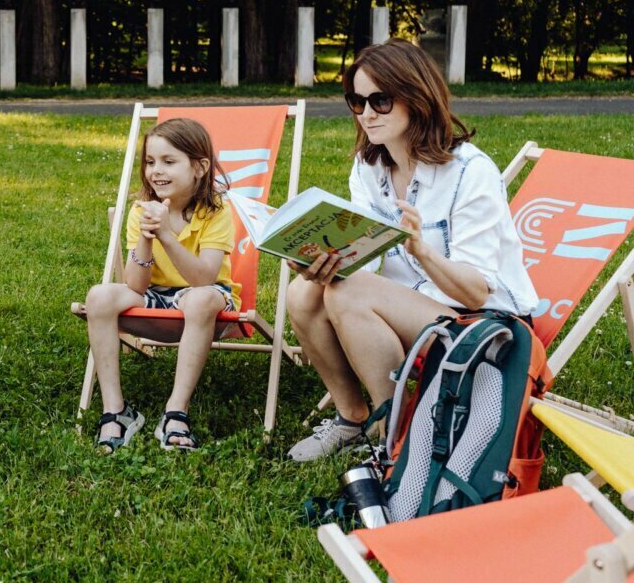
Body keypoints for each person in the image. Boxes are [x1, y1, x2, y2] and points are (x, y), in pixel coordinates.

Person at [285, 38, 538, 462]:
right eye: (356, 101)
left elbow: (476, 293)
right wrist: (318, 259)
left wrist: (421, 251)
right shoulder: (369, 168)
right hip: (418, 307)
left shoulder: (469, 173)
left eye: (380, 100)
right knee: (303, 292)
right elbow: (362, 256)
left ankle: (396, 436)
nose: (366, 114)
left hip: (487, 327)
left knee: (348, 292)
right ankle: (352, 418)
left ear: (415, 97)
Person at [83, 118, 239, 453]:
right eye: (150, 162)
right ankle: (116, 411)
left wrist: (166, 236)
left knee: (199, 299)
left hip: (207, 298)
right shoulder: (142, 211)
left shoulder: (217, 212)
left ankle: (175, 412)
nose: (157, 171)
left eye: (169, 162)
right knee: (99, 295)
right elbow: (136, 286)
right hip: (156, 297)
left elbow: (203, 279)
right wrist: (146, 236)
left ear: (200, 168)